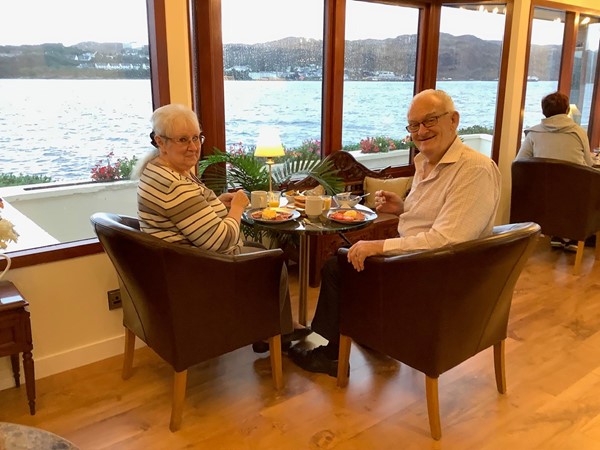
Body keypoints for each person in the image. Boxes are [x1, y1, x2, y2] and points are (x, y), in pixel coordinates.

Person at [289, 89, 501, 376]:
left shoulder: (474, 170)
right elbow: (437, 221)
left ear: (453, 120)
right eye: (414, 125)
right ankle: (364, 333)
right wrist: (402, 208)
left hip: (432, 278)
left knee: (337, 267)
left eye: (430, 121)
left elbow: (446, 241)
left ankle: (330, 353)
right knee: (346, 260)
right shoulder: (426, 163)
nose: (421, 131)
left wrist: (378, 247)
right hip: (419, 265)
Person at [136, 103, 310, 352]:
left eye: (197, 137)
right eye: (183, 139)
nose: (194, 147)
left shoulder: (158, 171)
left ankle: (271, 329)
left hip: (182, 264)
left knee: (260, 249)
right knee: (273, 261)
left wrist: (216, 203)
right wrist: (237, 207)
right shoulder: (173, 184)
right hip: (198, 273)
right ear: (160, 142)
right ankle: (275, 331)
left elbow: (187, 215)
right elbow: (222, 242)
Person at [516, 91, 594, 251]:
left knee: (556, 193)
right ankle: (573, 236)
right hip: (574, 195)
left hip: (543, 195)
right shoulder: (578, 132)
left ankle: (558, 234)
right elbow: (589, 163)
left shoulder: (533, 133)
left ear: (544, 111)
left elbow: (519, 162)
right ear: (567, 110)